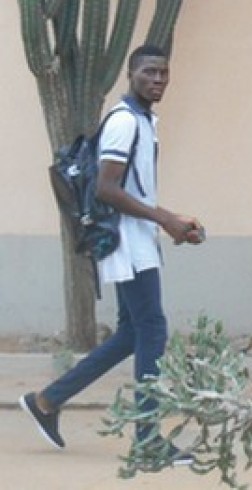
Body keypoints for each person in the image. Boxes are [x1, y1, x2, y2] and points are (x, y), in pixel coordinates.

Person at [20, 44, 205, 461]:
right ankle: (148, 438)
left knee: (131, 334)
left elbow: (132, 188)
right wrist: (165, 219)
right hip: (128, 244)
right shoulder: (124, 122)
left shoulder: (143, 121)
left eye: (163, 73)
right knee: (152, 330)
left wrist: (171, 220)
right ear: (130, 74)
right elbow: (106, 188)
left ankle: (47, 401)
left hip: (138, 240)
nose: (158, 80)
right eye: (149, 72)